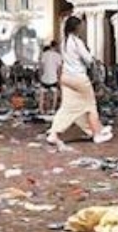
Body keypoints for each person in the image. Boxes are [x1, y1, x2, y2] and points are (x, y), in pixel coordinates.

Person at [46, 16, 112, 146]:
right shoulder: (77, 42)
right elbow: (88, 60)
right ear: (76, 28)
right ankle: (97, 134)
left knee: (67, 107)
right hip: (79, 78)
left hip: (66, 77)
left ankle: (54, 133)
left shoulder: (63, 42)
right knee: (90, 106)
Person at [38, 42, 62, 115]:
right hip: (53, 78)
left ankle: (41, 109)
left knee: (42, 94)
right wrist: (59, 78)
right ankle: (52, 110)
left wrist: (40, 76)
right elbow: (59, 69)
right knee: (54, 94)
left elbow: (41, 67)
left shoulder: (44, 54)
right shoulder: (58, 55)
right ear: (56, 46)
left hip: (44, 78)